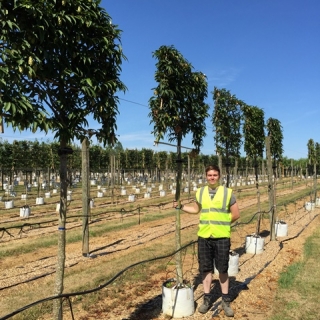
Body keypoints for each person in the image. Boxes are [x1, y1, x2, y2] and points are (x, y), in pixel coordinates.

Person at [174, 165, 240, 317]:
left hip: (222, 236)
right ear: (206, 176)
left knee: (223, 269)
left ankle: (225, 300)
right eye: (209, 175)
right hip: (204, 236)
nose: (212, 177)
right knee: (205, 269)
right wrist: (181, 206)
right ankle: (207, 298)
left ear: (219, 176)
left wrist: (222, 224)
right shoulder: (201, 192)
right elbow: (196, 209)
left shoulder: (228, 193)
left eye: (215, 175)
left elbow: (236, 214)